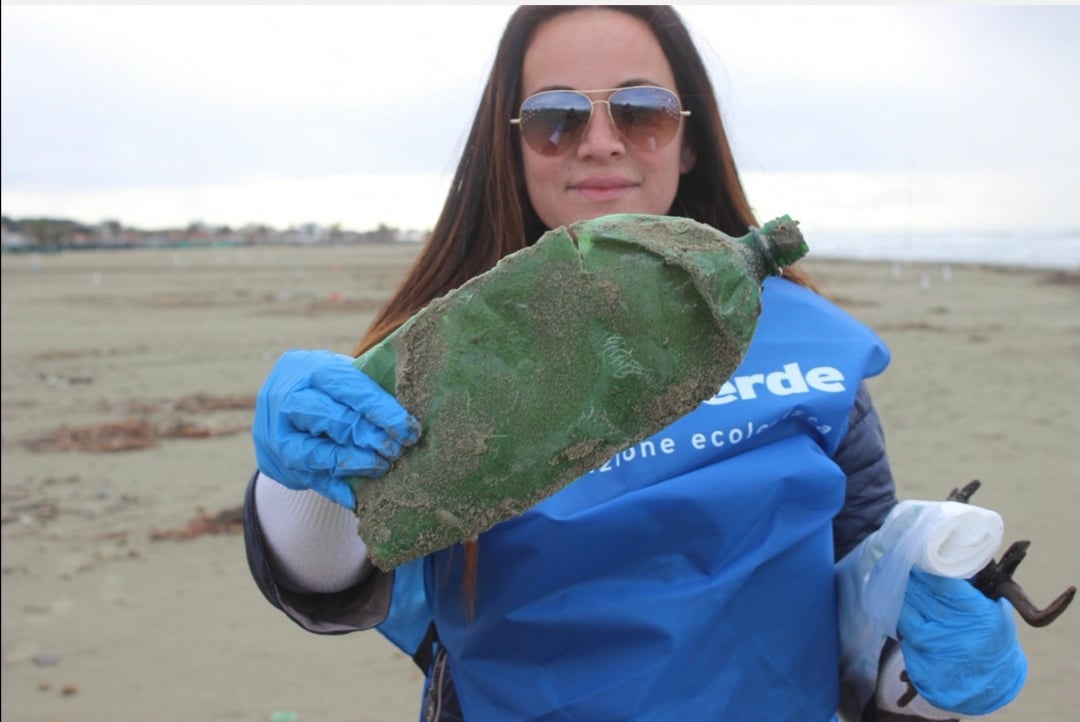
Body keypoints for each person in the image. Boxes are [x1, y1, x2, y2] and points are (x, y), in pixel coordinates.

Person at [243, 6, 1027, 721]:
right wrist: (300, 487)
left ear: (689, 139)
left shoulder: (814, 353)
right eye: (554, 118)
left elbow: (861, 618)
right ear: (509, 147)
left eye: (642, 111)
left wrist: (926, 669)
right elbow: (328, 583)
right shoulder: (449, 354)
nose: (600, 140)